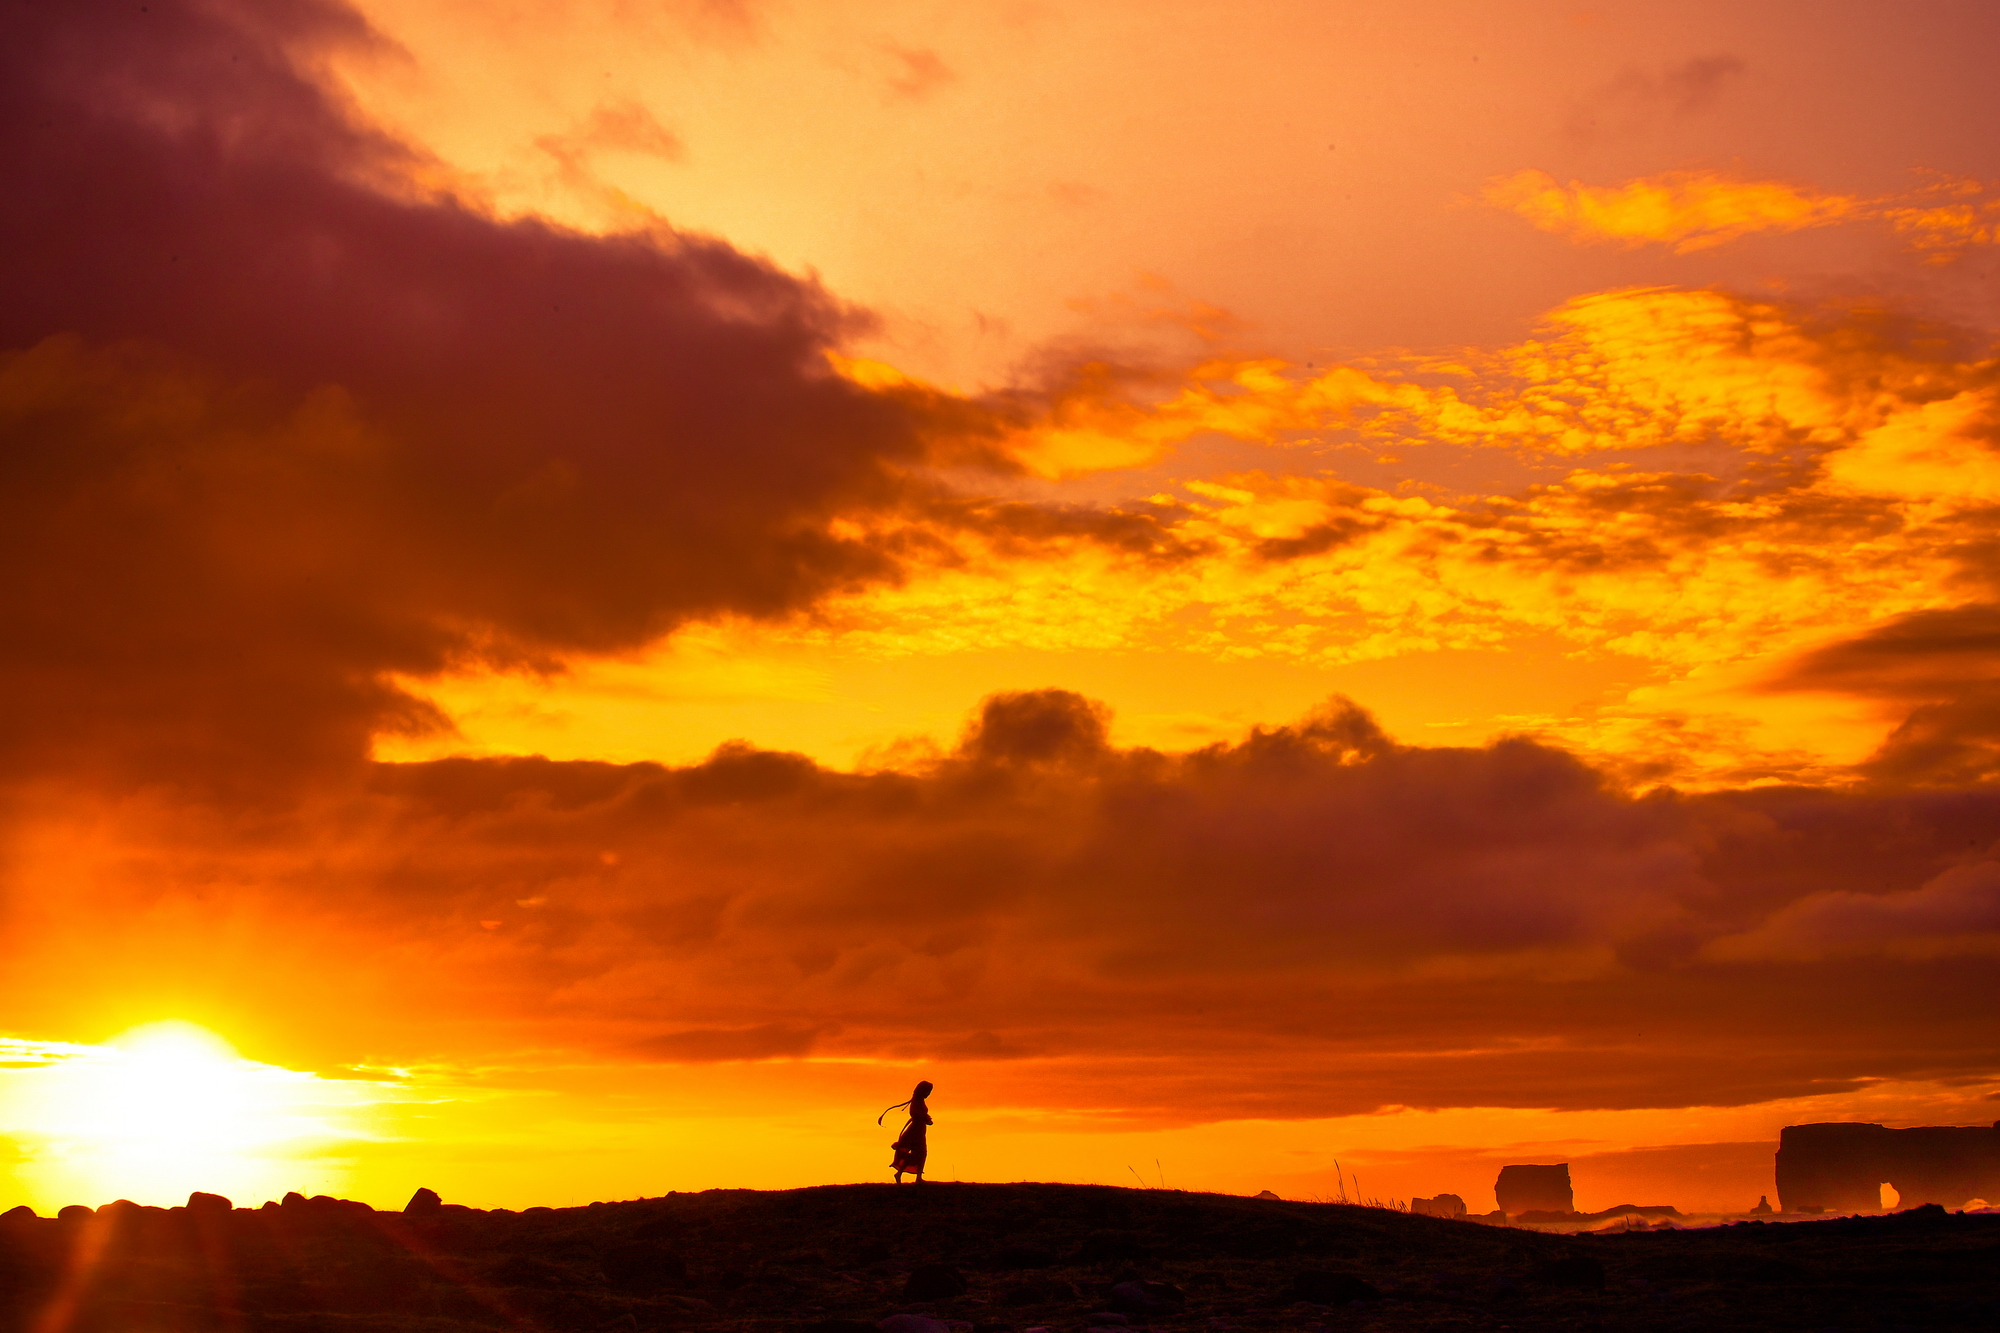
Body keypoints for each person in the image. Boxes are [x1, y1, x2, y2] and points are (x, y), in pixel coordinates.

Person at [879, 1080, 934, 1183]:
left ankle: (904, 1174)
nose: (928, 1094)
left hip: (920, 1129)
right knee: (921, 1152)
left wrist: (926, 1119)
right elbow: (915, 1114)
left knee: (919, 1153)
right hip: (916, 1130)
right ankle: (916, 1177)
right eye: (928, 1091)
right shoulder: (917, 1101)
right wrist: (925, 1118)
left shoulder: (919, 1100)